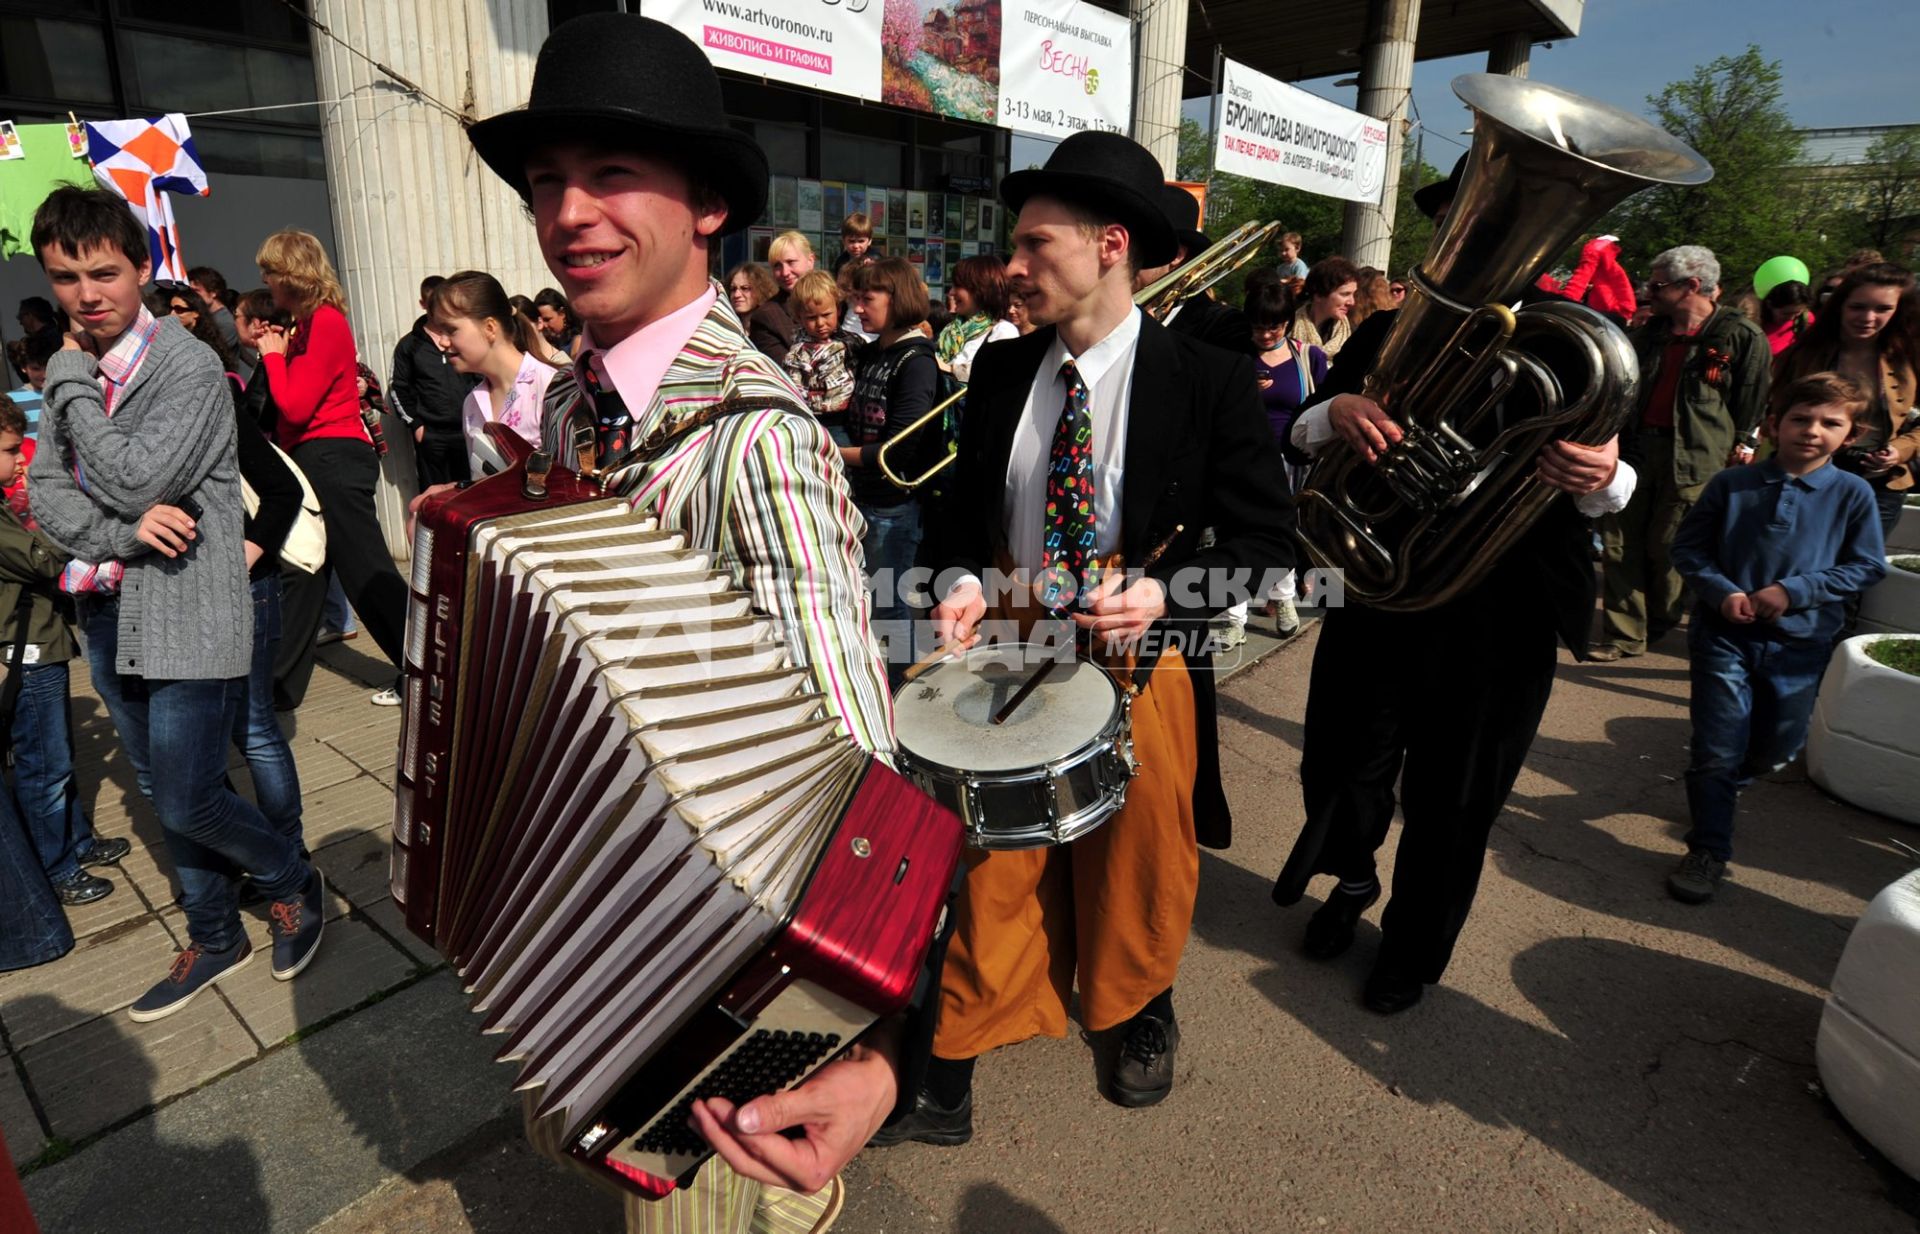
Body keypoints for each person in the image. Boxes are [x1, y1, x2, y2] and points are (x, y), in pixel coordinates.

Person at [463, 15, 930, 1227]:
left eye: (613, 174)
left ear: (708, 203)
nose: (570, 212)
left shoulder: (757, 442)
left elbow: (852, 775)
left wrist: (871, 1042)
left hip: (716, 993)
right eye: (549, 182)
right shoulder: (569, 408)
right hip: (590, 919)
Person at [893, 130, 1293, 1142]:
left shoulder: (1207, 376)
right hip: (1012, 633)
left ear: (1111, 243)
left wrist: (1165, 591)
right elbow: (956, 527)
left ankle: (1135, 1001)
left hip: (1138, 645)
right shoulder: (999, 372)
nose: (1012, 266)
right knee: (990, 846)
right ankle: (967, 1024)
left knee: (1137, 851)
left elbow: (1267, 542)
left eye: (1034, 244)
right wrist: (958, 585)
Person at [1269, 160, 1637, 1014]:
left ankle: (1413, 944)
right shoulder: (1391, 329)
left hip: (1501, 610)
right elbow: (1301, 424)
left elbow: (1616, 486)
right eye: (1463, 227)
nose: (1469, 246)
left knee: (1457, 794)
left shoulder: (1577, 342)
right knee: (1340, 764)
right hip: (1380, 589)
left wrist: (1602, 471)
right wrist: (1337, 414)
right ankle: (1352, 882)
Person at [28, 185, 325, 1020]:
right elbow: (45, 495)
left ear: (142, 267)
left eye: (103, 273)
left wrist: (68, 379)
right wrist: (119, 537)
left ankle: (293, 879)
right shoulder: (74, 371)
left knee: (193, 792)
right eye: (64, 277)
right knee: (162, 789)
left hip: (190, 602)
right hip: (103, 606)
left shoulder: (185, 366)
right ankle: (215, 933)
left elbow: (134, 475)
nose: (87, 295)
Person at [1665, 372, 1887, 904]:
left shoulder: (1853, 494)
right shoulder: (1731, 484)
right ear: (1773, 424)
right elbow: (1688, 550)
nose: (1812, 430)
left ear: (1850, 435)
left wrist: (1796, 590)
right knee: (1718, 746)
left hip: (1801, 644)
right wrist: (1721, 593)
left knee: (1777, 747)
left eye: (1830, 423)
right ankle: (1709, 846)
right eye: (1799, 418)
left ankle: (1721, 788)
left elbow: (1867, 566)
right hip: (1724, 637)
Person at [253, 228, 408, 708]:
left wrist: (273, 360)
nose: (266, 283)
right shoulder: (307, 325)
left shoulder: (324, 322)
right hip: (320, 456)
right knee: (307, 570)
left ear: (290, 275)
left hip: (333, 455)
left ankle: (428, 670)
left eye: (270, 273)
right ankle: (279, 687)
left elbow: (296, 407)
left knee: (366, 573)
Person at [1593, 245, 1771, 662]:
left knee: (1669, 546)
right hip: (1637, 451)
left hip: (1696, 460)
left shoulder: (1742, 336)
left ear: (1692, 286)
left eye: (1657, 285)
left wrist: (1742, 445)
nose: (1647, 292)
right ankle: (1623, 634)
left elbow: (1751, 402)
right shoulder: (1648, 334)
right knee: (1619, 542)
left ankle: (1659, 619)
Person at [0, 399, 130, 907]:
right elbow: (39, 559)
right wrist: (77, 540)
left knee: (59, 757)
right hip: (25, 649)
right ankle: (56, 867)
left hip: (41, 642)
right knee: (44, 765)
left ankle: (76, 841)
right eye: (11, 450)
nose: (20, 461)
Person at [1771, 262, 1919, 546]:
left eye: (1883, 309)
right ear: (1839, 305)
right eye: (1858, 307)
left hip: (1880, 481)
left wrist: (1899, 452)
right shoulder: (1804, 353)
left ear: (1900, 310)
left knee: (1851, 571)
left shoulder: (1910, 357)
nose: (1868, 317)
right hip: (1804, 473)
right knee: (1794, 559)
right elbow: (1777, 412)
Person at [846, 256, 939, 674]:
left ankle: (904, 686)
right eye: (856, 299)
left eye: (867, 299)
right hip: (860, 496)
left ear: (897, 299)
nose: (858, 309)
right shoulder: (872, 354)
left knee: (890, 606)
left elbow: (897, 449)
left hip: (893, 505)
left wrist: (832, 453)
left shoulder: (916, 362)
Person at [1246, 277, 1328, 638]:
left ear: (1287, 324)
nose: (1265, 335)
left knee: (1288, 531)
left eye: (1273, 327)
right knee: (1247, 532)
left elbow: (1325, 404)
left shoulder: (1308, 357)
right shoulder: (1237, 358)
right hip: (1248, 459)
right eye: (1259, 327)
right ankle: (1245, 612)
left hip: (1295, 462)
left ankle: (1283, 596)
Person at [428, 270, 561, 479]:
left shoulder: (551, 387)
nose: (442, 342)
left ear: (490, 327)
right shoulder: (472, 403)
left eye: (451, 330)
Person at [1139, 185, 1254, 355]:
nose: (1124, 256)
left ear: (1176, 255)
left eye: (1139, 247)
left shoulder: (1224, 324)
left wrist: (1150, 334)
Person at [389, 274, 478, 489]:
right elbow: (398, 387)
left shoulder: (464, 338)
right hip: (431, 436)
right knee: (435, 497)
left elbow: (480, 376)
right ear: (422, 303)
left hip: (467, 430)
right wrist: (416, 425)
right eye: (431, 304)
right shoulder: (409, 345)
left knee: (471, 493)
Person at [781, 269, 859, 439]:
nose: (820, 323)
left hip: (850, 418)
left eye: (826, 315)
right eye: (811, 318)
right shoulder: (798, 352)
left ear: (838, 310)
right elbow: (794, 386)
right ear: (799, 317)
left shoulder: (851, 342)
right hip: (816, 420)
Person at [935, 254, 1017, 386]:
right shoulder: (951, 329)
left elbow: (995, 374)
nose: (951, 292)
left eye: (957, 286)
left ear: (981, 289)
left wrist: (946, 367)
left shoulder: (1003, 331)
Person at [726, 262, 794, 364]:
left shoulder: (773, 325)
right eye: (733, 289)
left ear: (760, 289)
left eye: (745, 288)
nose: (737, 294)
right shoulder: (727, 328)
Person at [1293, 256, 1359, 358]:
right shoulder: (1288, 327)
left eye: (1353, 294)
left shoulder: (1353, 334)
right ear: (1319, 294)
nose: (1352, 302)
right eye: (1345, 294)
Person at [187, 265, 252, 368]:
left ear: (213, 292)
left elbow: (203, 357)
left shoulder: (225, 322)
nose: (191, 296)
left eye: (196, 291)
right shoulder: (206, 317)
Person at [767, 231, 817, 339]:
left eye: (791, 262)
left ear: (810, 261)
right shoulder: (767, 316)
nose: (785, 272)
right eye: (777, 266)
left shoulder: (833, 301)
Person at [1761, 280, 1815, 356]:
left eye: (1797, 313)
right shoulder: (1757, 325)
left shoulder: (1806, 319)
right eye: (1786, 313)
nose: (1791, 318)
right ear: (1769, 305)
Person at [531, 287, 581, 358]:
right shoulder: (544, 343)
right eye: (540, 321)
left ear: (562, 313)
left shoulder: (577, 342)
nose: (543, 325)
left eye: (547, 319)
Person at [833, 211, 874, 275]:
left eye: (861, 241)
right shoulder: (840, 261)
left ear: (869, 241)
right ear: (843, 241)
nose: (856, 246)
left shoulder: (876, 261)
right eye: (851, 241)